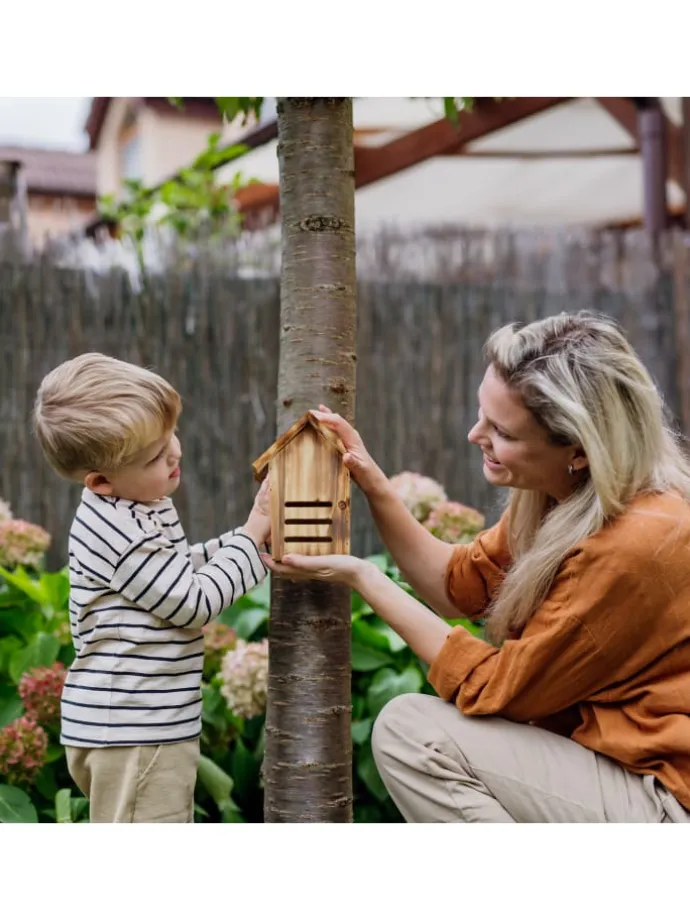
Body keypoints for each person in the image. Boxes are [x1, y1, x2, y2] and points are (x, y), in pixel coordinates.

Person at [264, 311, 690, 823]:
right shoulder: (562, 499)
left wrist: (365, 577)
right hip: (618, 770)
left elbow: (498, 690)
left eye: (501, 431)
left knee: (412, 733)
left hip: (664, 800)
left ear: (577, 449)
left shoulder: (634, 545)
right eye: (480, 414)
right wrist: (374, 485)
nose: (474, 435)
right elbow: (459, 585)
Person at [33, 353, 270, 823]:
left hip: (128, 726)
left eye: (170, 437)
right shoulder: (120, 529)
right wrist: (250, 534)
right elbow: (192, 602)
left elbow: (172, 572)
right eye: (155, 456)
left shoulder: (134, 503)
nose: (175, 454)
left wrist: (246, 545)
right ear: (101, 481)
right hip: (135, 733)